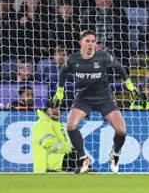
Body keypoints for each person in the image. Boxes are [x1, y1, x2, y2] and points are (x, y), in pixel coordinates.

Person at [50, 30, 141, 174]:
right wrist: (60, 91)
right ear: (81, 43)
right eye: (88, 41)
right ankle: (83, 158)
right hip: (84, 98)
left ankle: (115, 154)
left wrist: (129, 84)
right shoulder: (73, 59)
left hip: (104, 97)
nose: (91, 44)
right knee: (70, 125)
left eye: (93, 41)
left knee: (121, 130)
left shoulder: (103, 57)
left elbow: (119, 67)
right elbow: (63, 72)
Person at [32, 101, 77, 173]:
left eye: (58, 108)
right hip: (47, 166)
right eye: (52, 108)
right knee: (79, 159)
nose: (56, 110)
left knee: (81, 158)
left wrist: (71, 150)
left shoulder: (58, 124)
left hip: (57, 163)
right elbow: (48, 143)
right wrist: (68, 151)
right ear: (46, 109)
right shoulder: (43, 122)